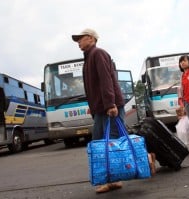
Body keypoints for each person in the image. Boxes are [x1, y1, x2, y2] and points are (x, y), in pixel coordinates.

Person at [72, 28, 126, 193]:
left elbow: (106, 80)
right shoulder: (88, 59)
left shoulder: (98, 54)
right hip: (101, 110)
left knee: (111, 144)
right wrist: (94, 107)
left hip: (109, 107)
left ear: (91, 38)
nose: (78, 42)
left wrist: (110, 104)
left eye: (80, 39)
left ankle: (114, 180)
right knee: (100, 143)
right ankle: (113, 179)